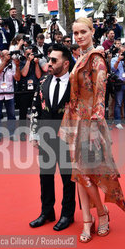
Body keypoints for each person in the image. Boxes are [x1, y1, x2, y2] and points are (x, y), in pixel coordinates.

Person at [59, 18, 125, 243]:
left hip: (90, 122)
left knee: (85, 173)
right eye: (75, 33)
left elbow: (100, 94)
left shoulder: (96, 59)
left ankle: (101, 213)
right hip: (75, 121)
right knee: (79, 175)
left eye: (82, 32)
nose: (78, 37)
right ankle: (88, 219)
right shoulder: (79, 58)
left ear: (91, 32)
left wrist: (96, 127)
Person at [29, 43, 76, 230]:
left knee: (68, 178)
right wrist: (34, 133)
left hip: (67, 139)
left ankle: (67, 214)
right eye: (49, 59)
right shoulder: (43, 82)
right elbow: (36, 108)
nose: (49, 63)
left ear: (65, 64)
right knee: (45, 176)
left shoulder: (75, 84)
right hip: (46, 137)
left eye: (54, 60)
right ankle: (47, 212)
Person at [0, 50, 21, 143]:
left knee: (11, 115)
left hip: (9, 93)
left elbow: (17, 78)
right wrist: (4, 62)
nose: (10, 56)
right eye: (8, 54)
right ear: (1, 56)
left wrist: (17, 66)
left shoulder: (13, 64)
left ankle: (12, 133)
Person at [18, 47, 42, 141]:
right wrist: (28, 61)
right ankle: (22, 133)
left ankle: (36, 131)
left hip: (34, 89)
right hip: (24, 90)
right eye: (28, 54)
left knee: (36, 112)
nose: (31, 56)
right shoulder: (22, 61)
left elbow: (39, 76)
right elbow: (23, 73)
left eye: (31, 54)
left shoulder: (35, 62)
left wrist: (36, 63)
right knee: (23, 113)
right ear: (25, 54)